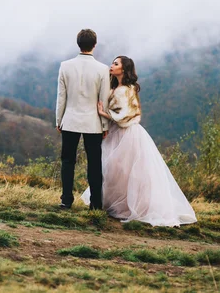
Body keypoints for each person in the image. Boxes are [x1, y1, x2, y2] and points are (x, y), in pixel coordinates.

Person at [82, 55, 197, 226]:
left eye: (115, 64)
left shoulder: (127, 89)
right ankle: (111, 204)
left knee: (124, 170)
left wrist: (104, 114)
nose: (111, 66)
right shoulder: (118, 87)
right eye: (112, 63)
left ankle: (127, 207)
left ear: (124, 69)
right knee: (112, 170)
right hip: (117, 132)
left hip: (127, 133)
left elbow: (125, 114)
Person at [56, 29, 111, 210]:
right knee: (94, 164)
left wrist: (59, 120)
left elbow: (61, 97)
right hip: (93, 122)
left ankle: (66, 200)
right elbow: (103, 100)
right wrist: (105, 125)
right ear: (95, 45)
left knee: (68, 161)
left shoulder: (65, 66)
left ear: (78, 43)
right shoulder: (103, 69)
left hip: (70, 119)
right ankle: (95, 204)